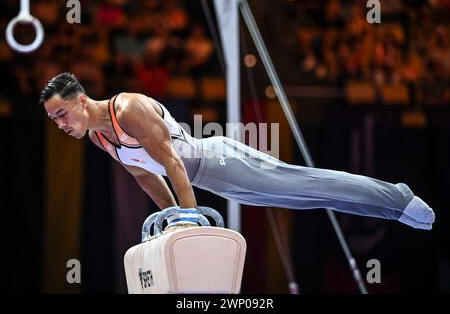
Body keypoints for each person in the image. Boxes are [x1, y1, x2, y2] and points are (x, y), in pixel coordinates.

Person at [40, 72, 435, 230]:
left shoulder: (128, 108)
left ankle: (397, 195)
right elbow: (145, 175)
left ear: (80, 100)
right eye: (53, 121)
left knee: (305, 185)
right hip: (213, 180)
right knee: (309, 199)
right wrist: (169, 216)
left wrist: (189, 214)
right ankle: (393, 209)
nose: (60, 124)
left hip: (217, 161)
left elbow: (171, 162)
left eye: (61, 114)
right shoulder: (99, 136)